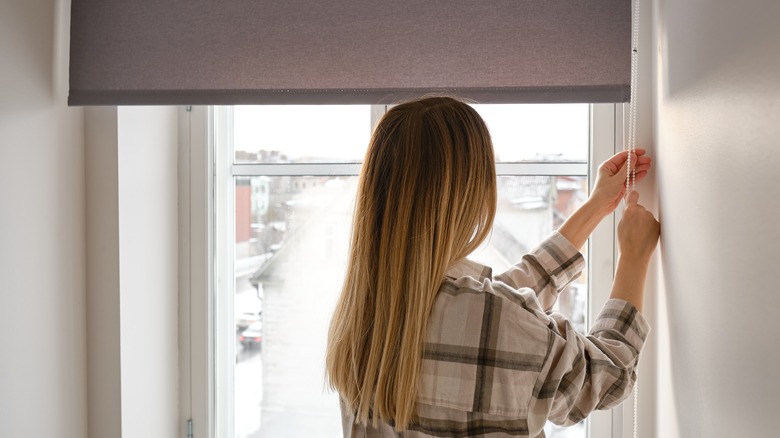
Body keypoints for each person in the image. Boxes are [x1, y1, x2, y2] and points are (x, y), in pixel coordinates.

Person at [325, 96, 660, 437]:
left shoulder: (362, 317)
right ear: (469, 193)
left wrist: (594, 208)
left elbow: (500, 305)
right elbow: (607, 376)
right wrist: (634, 259)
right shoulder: (495, 317)